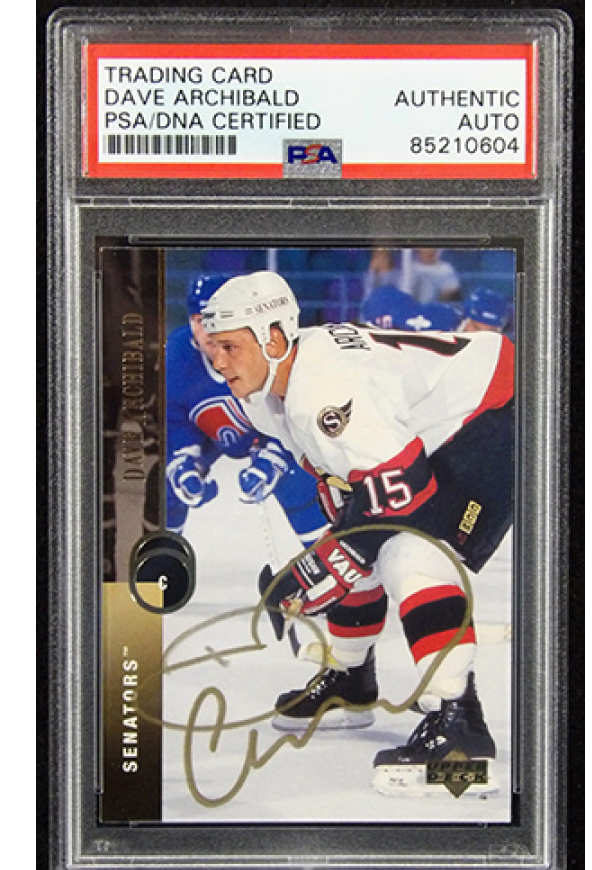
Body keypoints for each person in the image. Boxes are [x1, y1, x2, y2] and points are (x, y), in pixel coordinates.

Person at [201, 271, 514, 795]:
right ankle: (351, 679)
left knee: (409, 551)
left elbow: (403, 492)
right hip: (440, 423)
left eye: (229, 346)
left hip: (499, 410)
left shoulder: (323, 384)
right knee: (352, 534)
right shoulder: (269, 387)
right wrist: (334, 546)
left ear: (273, 339)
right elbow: (341, 474)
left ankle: (460, 722)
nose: (218, 361)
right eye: (213, 347)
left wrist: (318, 566)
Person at [162, 275, 328, 550]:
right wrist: (184, 459)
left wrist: (274, 454)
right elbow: (175, 414)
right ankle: (161, 558)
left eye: (215, 320)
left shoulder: (264, 348)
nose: (208, 331)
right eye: (199, 320)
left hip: (274, 431)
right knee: (164, 482)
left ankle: (327, 557)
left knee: (296, 482)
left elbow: (294, 409)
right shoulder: (178, 353)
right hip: (212, 433)